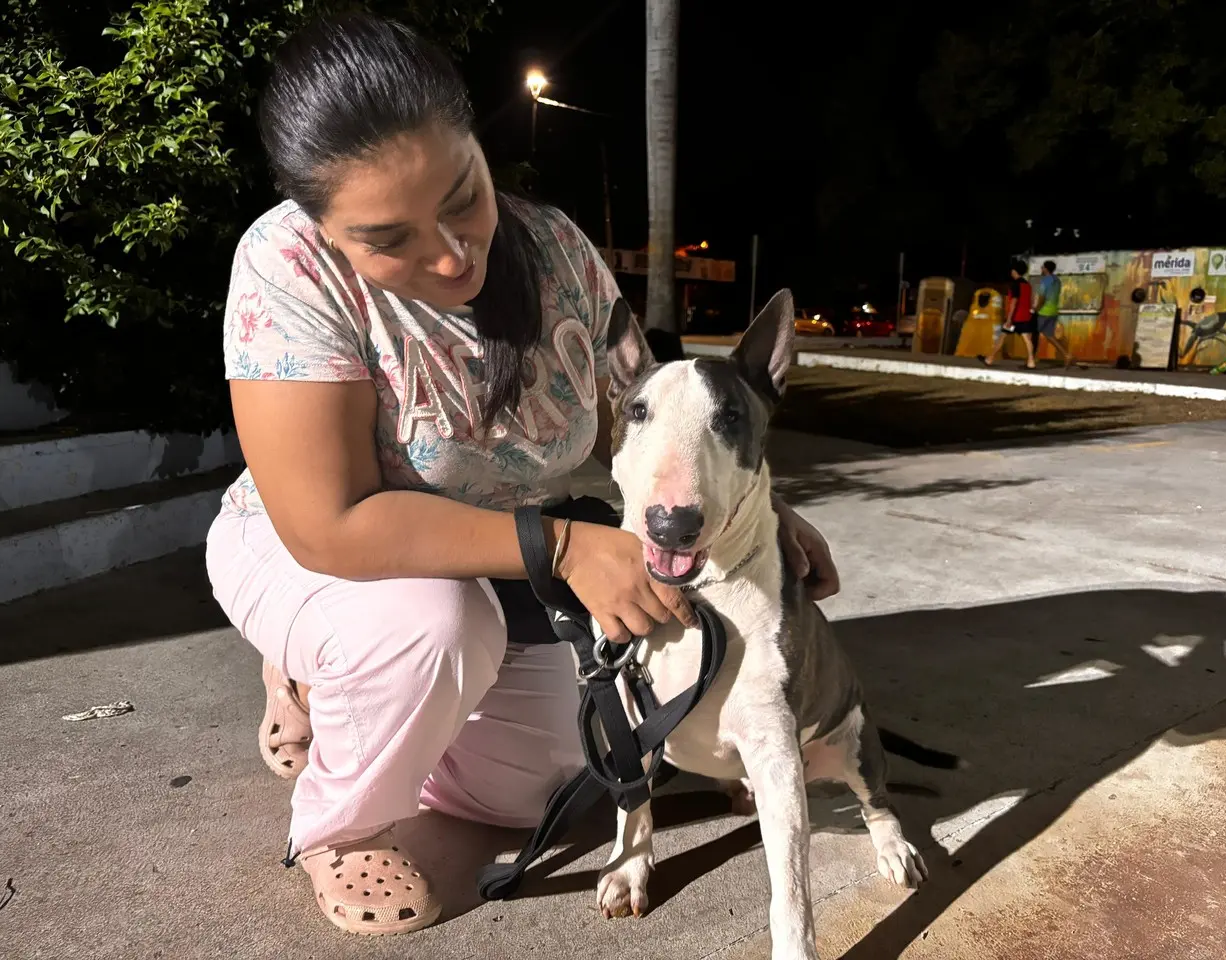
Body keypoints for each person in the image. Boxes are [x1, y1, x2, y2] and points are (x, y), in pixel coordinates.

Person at [204, 12, 841, 936]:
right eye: (392, 238)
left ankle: (369, 697)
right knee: (429, 627)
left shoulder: (559, 256)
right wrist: (568, 544)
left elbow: (652, 423)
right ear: (325, 226)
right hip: (321, 553)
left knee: (564, 767)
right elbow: (329, 522)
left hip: (493, 564)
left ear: (477, 142)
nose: (454, 253)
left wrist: (755, 508)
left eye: (464, 195)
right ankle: (338, 809)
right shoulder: (286, 266)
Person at [982, 258, 1037, 369]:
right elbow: (1030, 300)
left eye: (1012, 270)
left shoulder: (1015, 285)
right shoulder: (1027, 285)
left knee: (1002, 337)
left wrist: (1009, 319)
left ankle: (989, 359)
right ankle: (1031, 362)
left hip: (1015, 318)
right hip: (1025, 317)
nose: (1011, 272)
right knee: (1027, 340)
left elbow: (1014, 302)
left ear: (1015, 271)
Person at [1031, 260, 1074, 366]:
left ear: (1046, 269)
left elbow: (1042, 297)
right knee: (1049, 335)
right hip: (1053, 311)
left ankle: (1031, 359)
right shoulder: (1057, 280)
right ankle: (1066, 355)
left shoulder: (1045, 280)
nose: (1041, 269)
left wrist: (1036, 309)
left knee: (1031, 334)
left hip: (1043, 311)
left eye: (1042, 267)